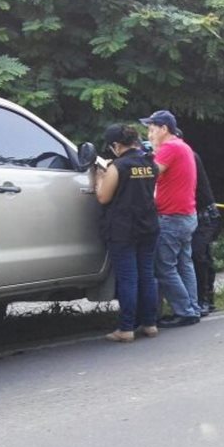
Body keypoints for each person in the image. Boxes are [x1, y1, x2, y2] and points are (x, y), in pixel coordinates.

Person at [95, 124, 160, 342]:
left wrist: (100, 177)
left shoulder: (118, 167)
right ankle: (150, 324)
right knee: (147, 276)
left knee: (128, 279)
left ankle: (126, 328)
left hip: (123, 229)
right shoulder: (150, 163)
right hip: (148, 226)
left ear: (116, 145)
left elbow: (103, 197)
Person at [140, 110, 202, 328]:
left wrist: (138, 160)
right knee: (184, 265)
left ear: (164, 129)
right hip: (186, 215)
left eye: (152, 130)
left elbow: (151, 174)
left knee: (164, 267)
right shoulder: (183, 146)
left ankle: (185, 311)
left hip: (172, 217)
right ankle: (192, 307)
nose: (149, 135)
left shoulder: (169, 148)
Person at [190, 146, 220, 315]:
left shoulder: (188, 156)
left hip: (204, 215)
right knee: (200, 256)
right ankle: (203, 298)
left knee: (199, 255)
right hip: (195, 214)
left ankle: (205, 299)